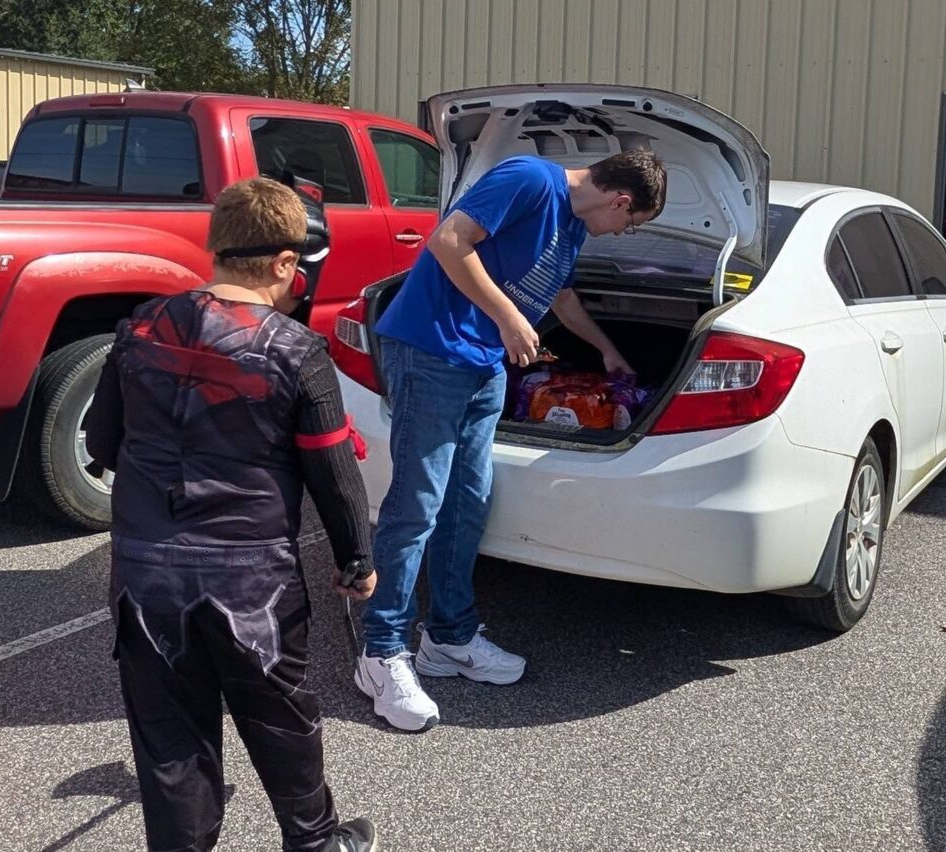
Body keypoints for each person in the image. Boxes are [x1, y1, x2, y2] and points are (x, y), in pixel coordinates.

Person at [84, 178, 379, 852]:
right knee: (281, 719)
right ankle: (315, 842)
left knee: (170, 737)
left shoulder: (140, 327)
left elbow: (101, 442)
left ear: (215, 248)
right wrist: (356, 557)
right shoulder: (298, 351)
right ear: (284, 262)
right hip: (252, 581)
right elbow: (332, 472)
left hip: (146, 574)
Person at [356, 149, 667, 732]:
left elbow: (561, 299)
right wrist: (507, 317)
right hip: (431, 352)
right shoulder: (529, 179)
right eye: (631, 223)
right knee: (418, 505)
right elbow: (449, 241)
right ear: (621, 200)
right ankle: (381, 651)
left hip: (484, 365)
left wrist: (606, 349)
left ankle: (448, 639)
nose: (621, 232)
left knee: (468, 502)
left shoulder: (573, 225)